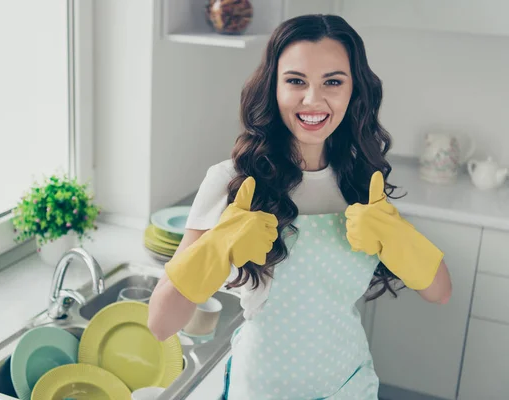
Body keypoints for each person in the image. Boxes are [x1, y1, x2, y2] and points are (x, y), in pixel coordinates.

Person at [148, 14, 452, 399]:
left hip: (348, 383)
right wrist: (217, 245)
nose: (313, 99)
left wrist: (397, 235)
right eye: (296, 81)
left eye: (333, 82)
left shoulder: (363, 182)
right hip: (262, 386)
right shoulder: (233, 182)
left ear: (354, 90)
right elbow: (160, 324)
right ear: (272, 87)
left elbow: (440, 291)